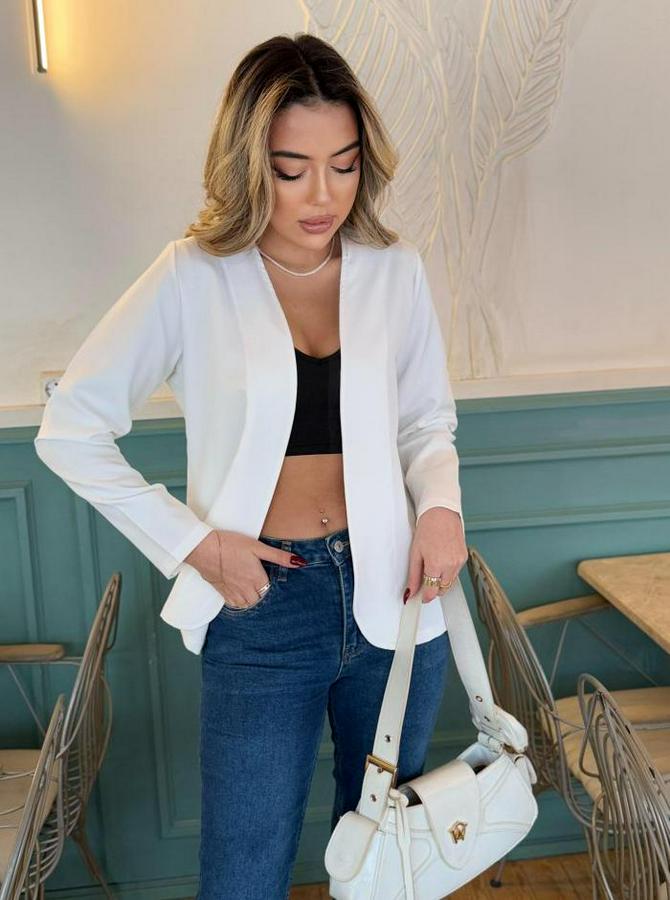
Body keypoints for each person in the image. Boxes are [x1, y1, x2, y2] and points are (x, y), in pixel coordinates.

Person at [34, 32, 468, 900]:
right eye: (291, 169)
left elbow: (426, 420)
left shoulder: (394, 271)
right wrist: (197, 546)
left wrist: (441, 507)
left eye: (344, 165)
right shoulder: (194, 275)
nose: (323, 195)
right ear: (247, 162)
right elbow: (70, 429)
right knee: (243, 873)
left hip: (398, 592)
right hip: (263, 604)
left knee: (389, 870)